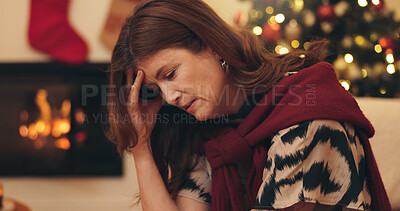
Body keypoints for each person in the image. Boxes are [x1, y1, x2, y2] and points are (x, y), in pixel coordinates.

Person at [105, 0, 391, 210]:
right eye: (156, 89)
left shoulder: (306, 121)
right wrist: (141, 148)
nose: (169, 98)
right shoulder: (215, 132)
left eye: (171, 74)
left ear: (211, 44)